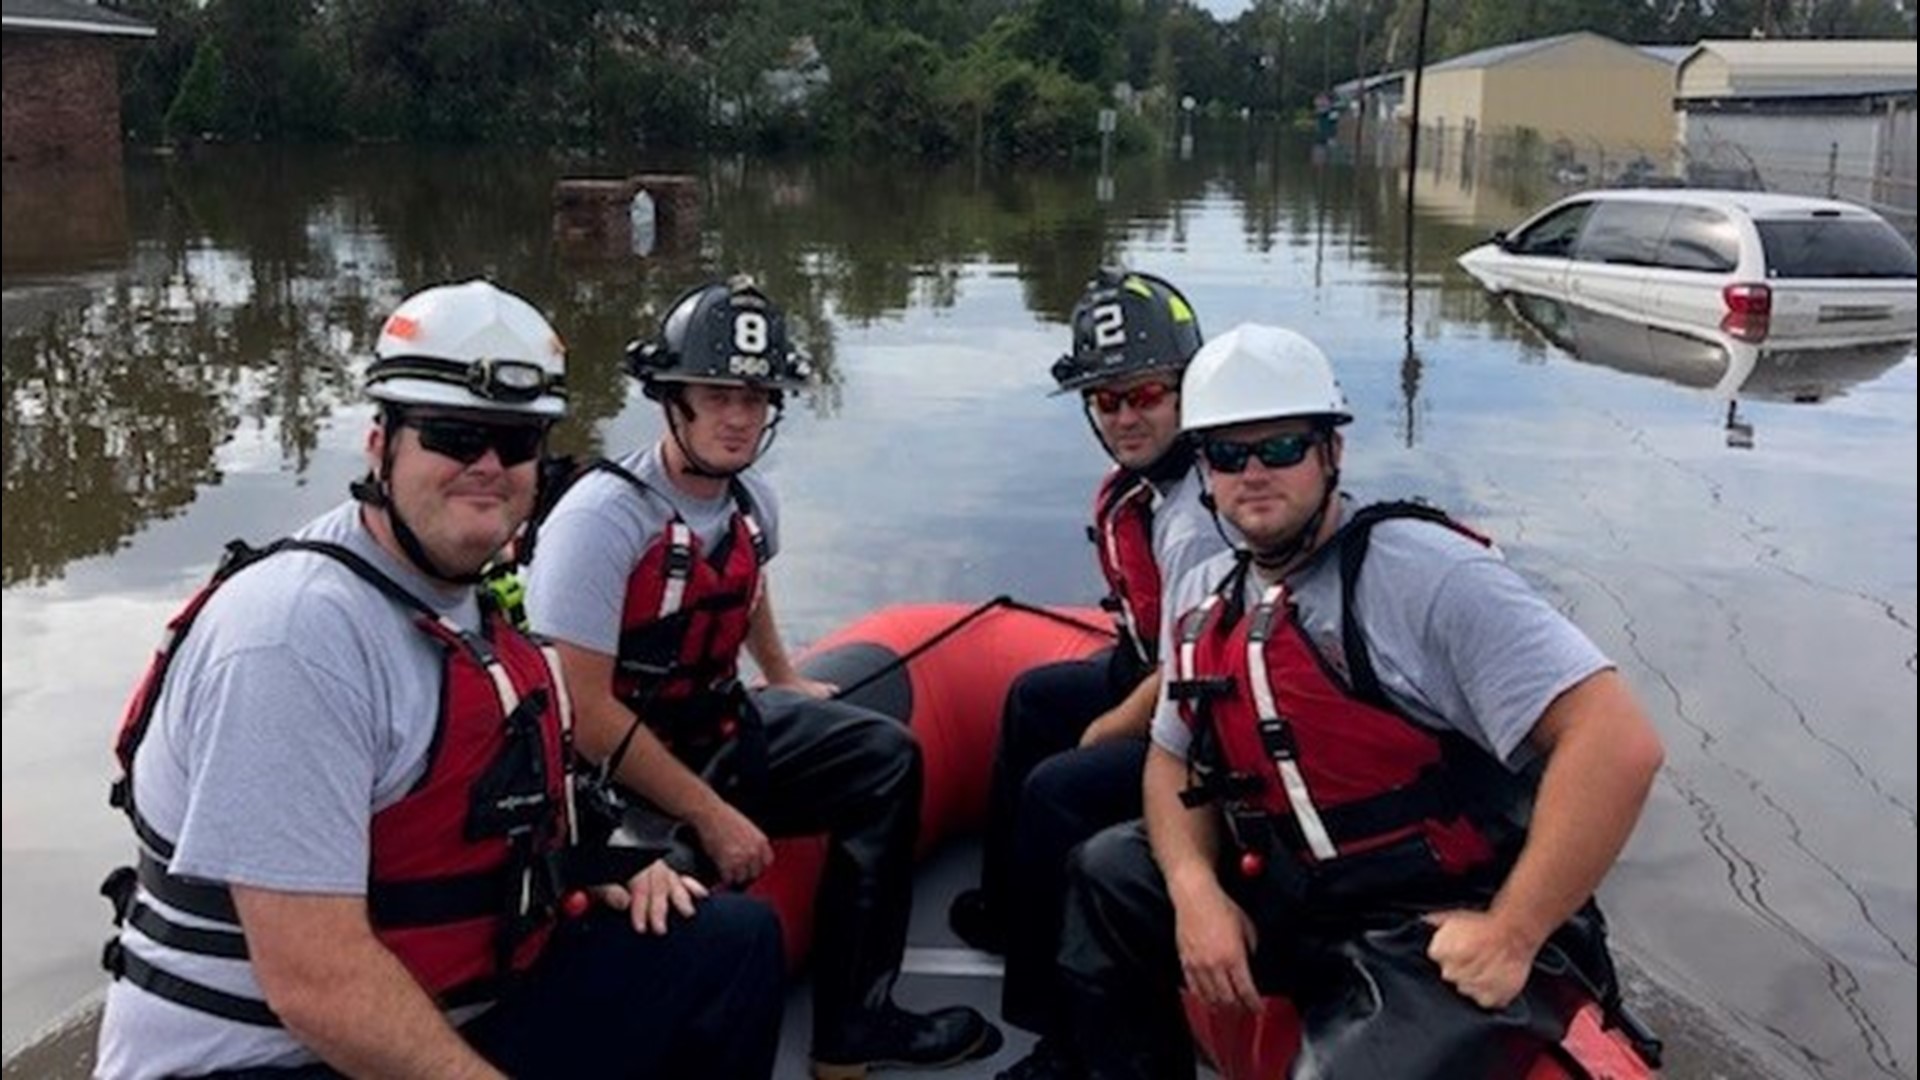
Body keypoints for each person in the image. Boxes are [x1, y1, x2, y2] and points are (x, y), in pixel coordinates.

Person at [95, 280, 785, 1080]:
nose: (488, 466)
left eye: (516, 443)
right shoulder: (294, 636)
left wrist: (596, 869)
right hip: (272, 1058)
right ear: (380, 441)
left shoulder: (463, 600)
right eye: (456, 435)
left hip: (458, 993)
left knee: (732, 946)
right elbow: (315, 984)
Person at [1052, 324, 1666, 1079]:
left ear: (1330, 453)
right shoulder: (1204, 596)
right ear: (1203, 469)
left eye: (1280, 448)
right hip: (1305, 889)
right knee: (1108, 870)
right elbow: (1171, 759)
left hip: (1439, 917)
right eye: (1227, 454)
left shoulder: (1424, 575)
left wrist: (1511, 932)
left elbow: (1616, 740)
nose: (1253, 474)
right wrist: (1192, 891)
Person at [521, 277, 999, 1080]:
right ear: (670, 397)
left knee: (885, 760)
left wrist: (780, 673)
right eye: (716, 394)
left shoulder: (751, 503)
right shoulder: (601, 520)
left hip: (720, 728)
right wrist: (711, 816)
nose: (739, 416)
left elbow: (745, 589)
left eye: (756, 396)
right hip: (615, 783)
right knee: (672, 914)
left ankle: (854, 1027)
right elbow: (584, 714)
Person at [942, 268, 1229, 1079]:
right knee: (1034, 699)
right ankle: (1010, 912)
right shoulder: (1149, 489)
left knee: (1060, 789)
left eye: (1145, 394)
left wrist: (1118, 723)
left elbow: (1196, 662)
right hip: (1159, 665)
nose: (1127, 416)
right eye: (1107, 401)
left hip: (1212, 712)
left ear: (1186, 390)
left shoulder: (1203, 513)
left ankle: (1058, 1033)